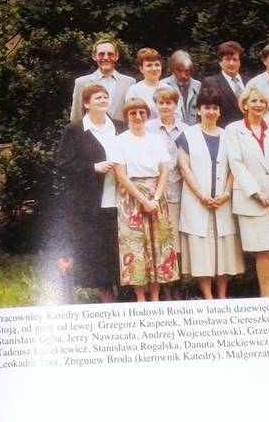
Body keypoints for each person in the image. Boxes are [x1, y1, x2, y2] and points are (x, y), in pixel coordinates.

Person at [55, 84, 127, 303]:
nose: (104, 100)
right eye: (98, 97)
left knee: (115, 245)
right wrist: (93, 168)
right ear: (86, 103)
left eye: (106, 96)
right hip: (89, 198)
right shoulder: (74, 130)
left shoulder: (120, 127)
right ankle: (100, 290)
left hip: (118, 195)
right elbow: (63, 163)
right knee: (94, 245)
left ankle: (122, 288)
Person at [226, 86, 269, 297]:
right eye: (253, 101)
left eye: (262, 102)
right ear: (244, 105)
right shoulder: (233, 130)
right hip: (253, 200)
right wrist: (258, 193)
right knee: (264, 250)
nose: (258, 105)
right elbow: (236, 164)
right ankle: (267, 299)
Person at [110, 99, 180, 301]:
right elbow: (121, 176)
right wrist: (142, 200)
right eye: (133, 113)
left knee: (157, 246)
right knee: (136, 246)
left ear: (147, 115)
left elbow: (164, 171)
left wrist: (155, 199)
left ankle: (156, 296)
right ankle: (141, 298)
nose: (138, 117)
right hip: (131, 197)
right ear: (127, 117)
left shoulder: (155, 139)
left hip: (156, 196)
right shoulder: (119, 141)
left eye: (142, 112)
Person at [176, 89, 243, 298]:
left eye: (215, 108)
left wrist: (226, 194)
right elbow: (184, 168)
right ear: (198, 110)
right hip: (198, 200)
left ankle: (222, 295)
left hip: (222, 200)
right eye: (207, 107)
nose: (211, 112)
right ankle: (208, 296)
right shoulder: (187, 135)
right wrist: (200, 195)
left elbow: (234, 168)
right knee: (201, 249)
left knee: (223, 248)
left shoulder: (227, 136)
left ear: (220, 111)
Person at [146, 86, 188, 286]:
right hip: (157, 192)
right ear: (155, 105)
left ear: (176, 105)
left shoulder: (186, 130)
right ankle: (163, 286)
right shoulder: (148, 129)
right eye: (161, 103)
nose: (165, 106)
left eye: (169, 102)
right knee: (160, 239)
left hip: (181, 191)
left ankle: (176, 284)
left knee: (176, 240)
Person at [69, 38, 136, 123]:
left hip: (121, 134)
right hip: (92, 134)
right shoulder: (82, 83)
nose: (106, 57)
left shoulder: (130, 83)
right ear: (94, 56)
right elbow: (76, 117)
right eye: (101, 54)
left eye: (110, 54)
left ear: (116, 56)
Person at [199, 41, 248, 128]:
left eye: (235, 59)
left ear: (240, 62)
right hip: (224, 133)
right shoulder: (210, 83)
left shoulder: (250, 82)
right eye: (227, 59)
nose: (231, 63)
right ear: (220, 62)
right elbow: (205, 111)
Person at [161, 50, 200, 126]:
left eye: (187, 71)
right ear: (172, 69)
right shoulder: (163, 85)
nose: (183, 75)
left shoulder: (198, 85)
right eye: (179, 71)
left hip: (194, 131)